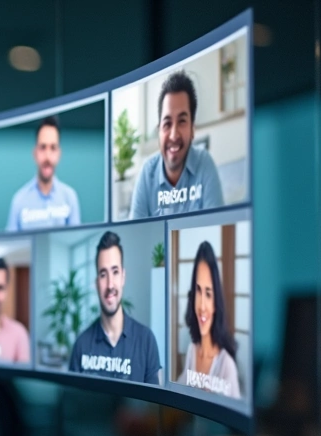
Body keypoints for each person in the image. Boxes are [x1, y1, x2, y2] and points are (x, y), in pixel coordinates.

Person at [67, 231, 162, 383]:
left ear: (123, 277)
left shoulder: (146, 341)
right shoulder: (81, 345)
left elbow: (153, 406)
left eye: (115, 272)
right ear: (97, 282)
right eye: (103, 274)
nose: (110, 284)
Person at [129, 70, 225, 218]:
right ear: (159, 131)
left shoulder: (205, 164)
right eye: (167, 124)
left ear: (192, 129)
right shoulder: (146, 174)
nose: (174, 135)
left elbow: (217, 228)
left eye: (182, 122)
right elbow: (134, 236)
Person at [176, 240, 242, 398]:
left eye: (208, 293)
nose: (202, 306)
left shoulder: (226, 365)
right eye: (198, 291)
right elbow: (177, 393)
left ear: (216, 303)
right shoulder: (192, 350)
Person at [6, 116, 81, 231]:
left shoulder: (70, 198)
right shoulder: (18, 201)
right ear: (35, 153)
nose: (47, 156)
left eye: (53, 148)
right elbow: (11, 245)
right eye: (43, 147)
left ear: (59, 153)